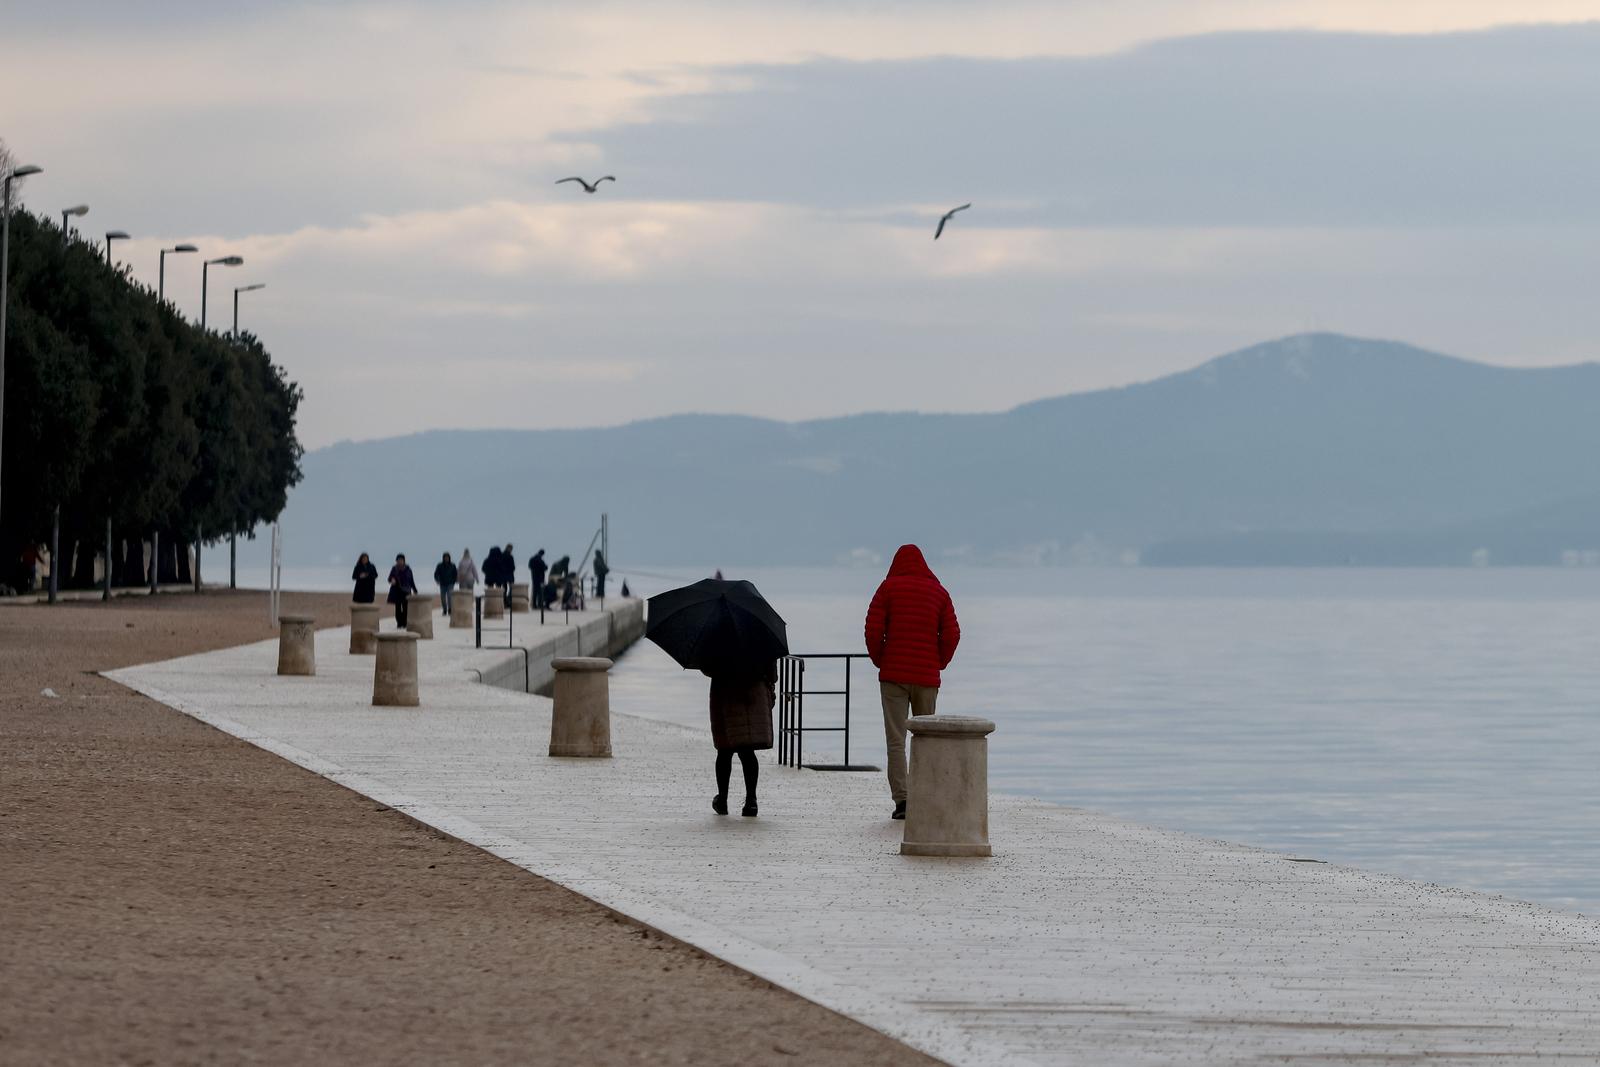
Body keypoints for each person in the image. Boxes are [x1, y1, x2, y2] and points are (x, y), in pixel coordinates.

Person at [863, 544, 961, 820]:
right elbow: (952, 635)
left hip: (893, 676)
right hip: (926, 678)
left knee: (896, 740)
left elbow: (872, 629)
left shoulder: (887, 588)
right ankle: (927, 796)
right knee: (926, 739)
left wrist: (881, 658)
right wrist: (938, 662)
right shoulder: (939, 593)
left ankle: (903, 801)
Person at [703, 656, 777, 817]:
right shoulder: (760, 636)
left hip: (724, 692)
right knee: (747, 749)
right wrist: (770, 687)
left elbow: (707, 667)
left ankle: (722, 799)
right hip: (753, 693)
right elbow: (772, 671)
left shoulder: (718, 636)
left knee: (724, 750)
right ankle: (751, 801)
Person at [387, 553, 418, 629]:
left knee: (405, 608)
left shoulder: (408, 569)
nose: (400, 561)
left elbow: (411, 580)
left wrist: (415, 590)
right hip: (396, 591)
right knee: (397, 608)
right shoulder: (394, 569)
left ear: (404, 561)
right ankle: (399, 623)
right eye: (398, 560)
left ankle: (404, 623)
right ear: (396, 561)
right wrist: (392, 580)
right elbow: (389, 578)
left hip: (406, 591)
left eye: (401, 560)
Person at [434, 551, 458, 616]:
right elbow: (436, 574)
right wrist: (437, 580)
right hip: (442, 584)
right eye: (445, 557)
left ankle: (450, 609)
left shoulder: (453, 565)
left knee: (450, 597)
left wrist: (455, 580)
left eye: (447, 557)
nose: (446, 559)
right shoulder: (439, 565)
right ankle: (444, 609)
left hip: (450, 584)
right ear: (443, 558)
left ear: (449, 558)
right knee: (443, 598)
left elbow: (455, 574)